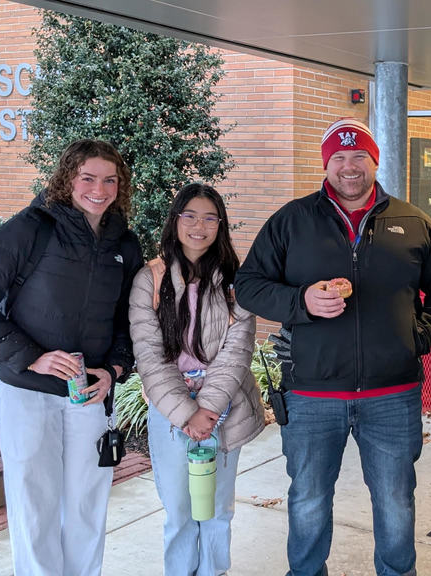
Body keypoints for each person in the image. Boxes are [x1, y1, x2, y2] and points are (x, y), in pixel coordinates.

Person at [234, 117, 431, 576]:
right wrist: (301, 301)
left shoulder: (413, 222)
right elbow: (248, 285)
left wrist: (418, 334)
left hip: (392, 394)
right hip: (312, 393)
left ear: (374, 161)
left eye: (359, 156)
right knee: (309, 500)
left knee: (395, 501)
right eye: (338, 157)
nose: (349, 166)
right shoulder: (292, 221)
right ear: (326, 164)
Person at [0, 139, 142, 575]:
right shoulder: (29, 229)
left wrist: (115, 368)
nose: (99, 190)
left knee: (88, 501)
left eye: (110, 180)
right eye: (88, 178)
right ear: (67, 179)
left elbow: (129, 319)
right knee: (34, 502)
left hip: (88, 394)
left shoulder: (124, 243)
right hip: (27, 391)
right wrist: (31, 358)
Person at [129, 183, 265, 576]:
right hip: (170, 408)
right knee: (179, 510)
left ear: (220, 225)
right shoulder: (150, 280)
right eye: (189, 216)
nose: (198, 226)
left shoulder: (235, 281)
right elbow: (149, 355)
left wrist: (208, 407)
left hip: (223, 406)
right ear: (175, 221)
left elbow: (237, 349)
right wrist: (186, 412)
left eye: (209, 218)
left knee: (217, 508)